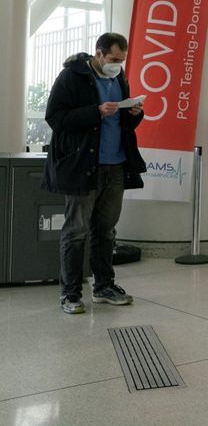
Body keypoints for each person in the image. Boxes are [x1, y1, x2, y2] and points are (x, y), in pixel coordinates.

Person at [42, 32, 146, 314]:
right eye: (113, 59)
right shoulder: (72, 77)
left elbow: (121, 125)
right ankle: (70, 293)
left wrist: (134, 113)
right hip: (82, 166)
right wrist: (95, 111)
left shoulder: (119, 79)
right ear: (98, 53)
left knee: (106, 230)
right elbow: (56, 119)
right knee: (76, 230)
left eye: (122, 60)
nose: (118, 65)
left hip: (115, 165)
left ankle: (104, 287)